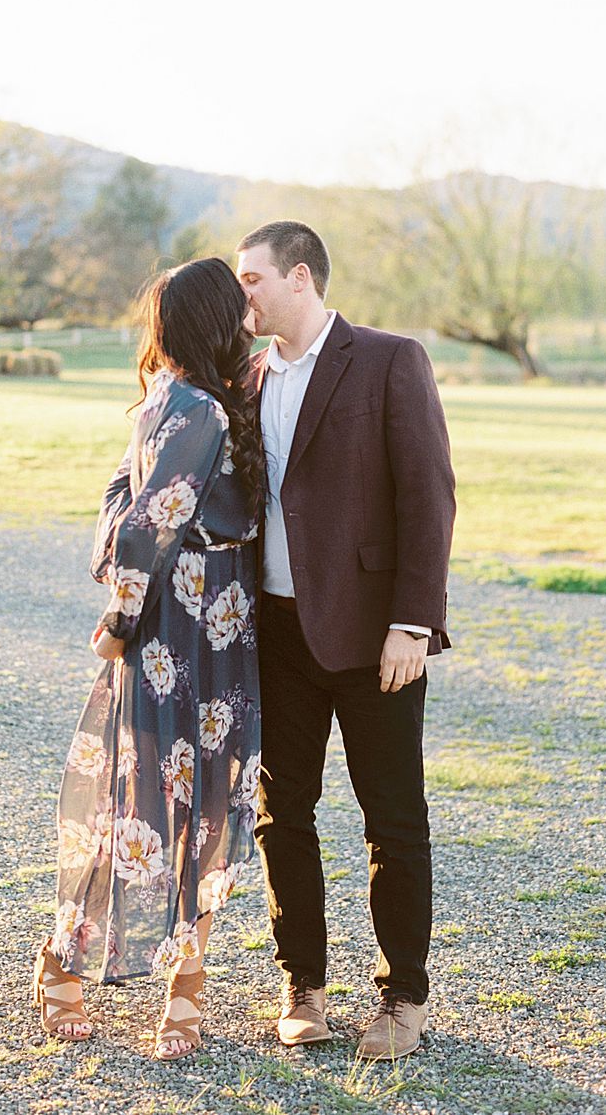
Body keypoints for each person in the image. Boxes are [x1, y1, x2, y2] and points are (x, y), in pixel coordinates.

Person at [31, 256, 266, 1060]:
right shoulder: (194, 406)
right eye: (239, 304)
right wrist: (121, 617)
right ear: (217, 320)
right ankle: (65, 960)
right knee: (149, 806)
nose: (251, 315)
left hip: (221, 627)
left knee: (201, 805)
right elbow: (137, 521)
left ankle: (186, 981)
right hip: (178, 633)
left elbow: (118, 498)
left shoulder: (192, 398)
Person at [234, 219, 456, 1062]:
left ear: (299, 277)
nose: (243, 295)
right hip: (275, 634)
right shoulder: (246, 377)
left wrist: (412, 622)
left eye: (253, 279)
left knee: (392, 818)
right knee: (281, 814)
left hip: (373, 638)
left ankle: (403, 997)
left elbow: (428, 494)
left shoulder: (390, 360)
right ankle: (304, 986)